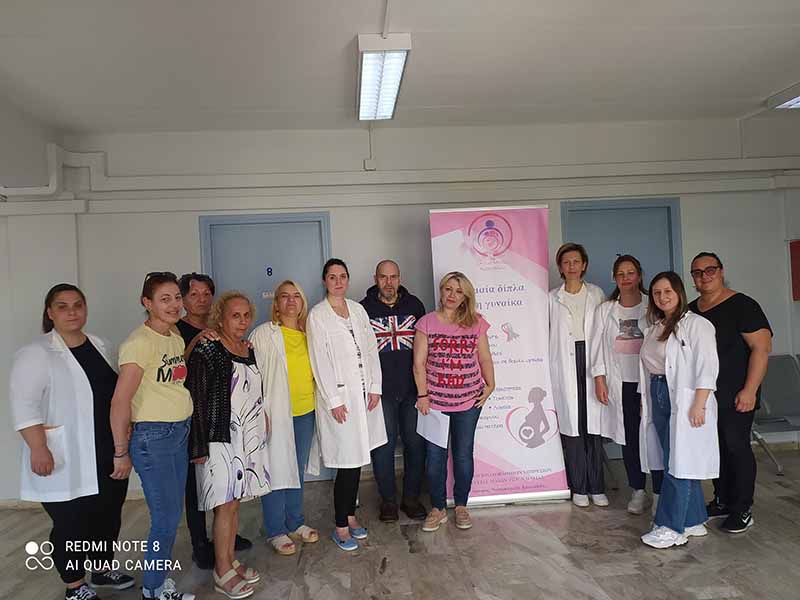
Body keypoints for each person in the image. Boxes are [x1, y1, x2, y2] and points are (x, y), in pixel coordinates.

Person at [11, 284, 134, 600]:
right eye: (62, 306)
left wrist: (123, 444)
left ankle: (102, 570)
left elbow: (117, 396)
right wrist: (38, 447)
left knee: (108, 513)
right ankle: (75, 585)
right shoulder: (36, 353)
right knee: (71, 522)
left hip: (106, 449)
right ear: (50, 312)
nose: (72, 312)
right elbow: (24, 406)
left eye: (78, 305)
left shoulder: (101, 345)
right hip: (63, 454)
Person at [109, 272, 195, 600]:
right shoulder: (138, 343)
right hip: (153, 438)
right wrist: (121, 451)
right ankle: (154, 588)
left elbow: (171, 381)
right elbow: (120, 401)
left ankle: (157, 584)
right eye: (164, 299)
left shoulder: (173, 336)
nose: (174, 305)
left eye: (177, 297)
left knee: (172, 514)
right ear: (147, 303)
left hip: (178, 432)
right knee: (165, 517)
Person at [185, 291, 267, 599]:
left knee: (234, 504)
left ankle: (229, 560)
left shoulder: (248, 349)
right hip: (218, 439)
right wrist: (198, 446)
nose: (242, 321)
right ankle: (221, 572)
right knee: (223, 505)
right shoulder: (208, 347)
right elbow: (196, 397)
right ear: (220, 318)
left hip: (245, 438)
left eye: (246, 315)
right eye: (235, 315)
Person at [688, 252, 772, 533]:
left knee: (736, 448)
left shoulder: (743, 305)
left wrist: (750, 390)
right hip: (706, 396)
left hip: (737, 394)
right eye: (697, 272)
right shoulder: (692, 311)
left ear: (721, 271)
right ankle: (722, 499)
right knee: (716, 449)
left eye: (710, 269)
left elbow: (762, 349)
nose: (704, 276)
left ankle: (743, 508)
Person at [306, 258, 386, 552]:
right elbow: (320, 361)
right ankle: (340, 526)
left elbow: (371, 349)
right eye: (332, 277)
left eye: (342, 276)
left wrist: (375, 386)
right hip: (341, 400)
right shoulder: (318, 315)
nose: (338, 282)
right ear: (324, 281)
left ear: (348, 279)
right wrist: (334, 400)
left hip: (363, 396)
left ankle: (351, 517)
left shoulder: (357, 310)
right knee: (347, 463)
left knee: (357, 460)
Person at [176, 273, 252, 570]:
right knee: (198, 489)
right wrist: (195, 342)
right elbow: (180, 376)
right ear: (184, 299)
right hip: (194, 421)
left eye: (207, 293)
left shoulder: (221, 333)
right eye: (194, 294)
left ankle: (224, 542)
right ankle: (201, 544)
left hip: (228, 427)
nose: (201, 299)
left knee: (226, 494)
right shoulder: (178, 331)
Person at [639, 271, 719, 549]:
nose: (662, 297)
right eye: (657, 293)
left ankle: (671, 526)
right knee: (673, 458)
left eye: (667, 291)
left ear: (679, 293)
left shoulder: (698, 325)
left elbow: (707, 366)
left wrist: (699, 403)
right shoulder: (655, 327)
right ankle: (693, 519)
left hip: (686, 399)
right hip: (659, 393)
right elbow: (649, 366)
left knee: (680, 462)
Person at [414, 271, 495, 532]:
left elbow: (484, 358)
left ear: (465, 297)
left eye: (458, 291)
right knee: (435, 460)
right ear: (441, 291)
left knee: (462, 456)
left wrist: (490, 384)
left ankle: (461, 506)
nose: (452, 295)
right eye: (448, 289)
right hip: (435, 405)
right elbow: (419, 363)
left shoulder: (476, 323)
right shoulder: (426, 323)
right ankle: (438, 509)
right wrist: (423, 395)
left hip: (468, 402)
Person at [590, 255, 664, 515]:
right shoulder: (606, 310)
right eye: (620, 274)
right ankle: (638, 490)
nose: (625, 278)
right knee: (629, 438)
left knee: (654, 437)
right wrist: (599, 378)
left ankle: (659, 492)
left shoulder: (652, 305)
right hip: (621, 384)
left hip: (650, 382)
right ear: (614, 278)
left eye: (630, 273)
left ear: (639, 275)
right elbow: (596, 347)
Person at [251, 281, 320, 556]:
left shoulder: (309, 333)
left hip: (305, 411)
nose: (291, 301)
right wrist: (260, 414)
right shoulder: (263, 334)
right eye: (285, 296)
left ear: (302, 302)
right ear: (276, 304)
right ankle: (275, 530)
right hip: (275, 413)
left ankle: (295, 522)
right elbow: (252, 377)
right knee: (275, 470)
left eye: (296, 296)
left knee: (296, 469)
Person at [360, 259, 428, 521]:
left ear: (399, 278)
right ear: (375, 279)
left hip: (412, 389)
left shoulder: (415, 305)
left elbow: (426, 348)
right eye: (383, 277)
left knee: (415, 444)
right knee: (383, 447)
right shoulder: (363, 309)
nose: (389, 283)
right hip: (381, 391)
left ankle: (411, 499)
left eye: (393, 277)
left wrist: (424, 389)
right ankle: (388, 501)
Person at [548, 243, 610, 508]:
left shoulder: (596, 294)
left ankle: (597, 486)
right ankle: (579, 488)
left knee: (592, 427)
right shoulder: (551, 298)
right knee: (572, 428)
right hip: (565, 362)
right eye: (566, 262)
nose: (572, 266)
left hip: (592, 360)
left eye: (576, 261)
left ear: (584, 265)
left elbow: (604, 331)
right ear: (560, 267)